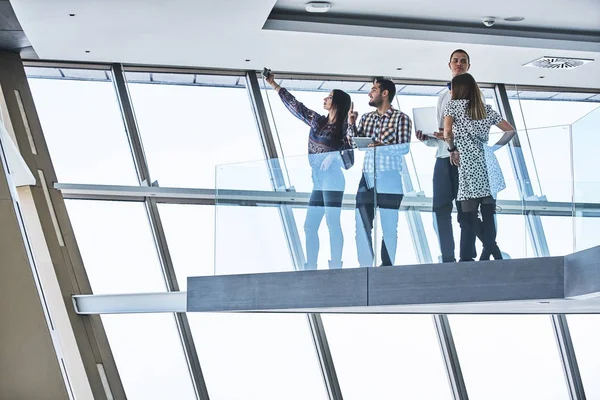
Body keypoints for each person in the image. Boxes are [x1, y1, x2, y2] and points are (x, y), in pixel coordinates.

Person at [266, 73, 352, 270]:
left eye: (329, 97)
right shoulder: (319, 122)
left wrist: (334, 156)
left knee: (332, 223)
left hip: (333, 179)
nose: (325, 99)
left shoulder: (344, 127)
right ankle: (310, 268)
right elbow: (297, 107)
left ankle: (336, 267)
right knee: (309, 226)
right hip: (318, 180)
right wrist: (274, 84)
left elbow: (351, 155)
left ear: (337, 103)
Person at [416, 49, 483, 262]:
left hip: (465, 161)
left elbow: (476, 130)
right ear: (449, 65)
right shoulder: (443, 96)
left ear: (469, 66)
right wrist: (427, 137)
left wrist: (450, 136)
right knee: (440, 210)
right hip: (443, 158)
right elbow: (441, 133)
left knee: (466, 211)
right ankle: (447, 256)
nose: (459, 63)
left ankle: (467, 256)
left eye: (463, 61)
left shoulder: (476, 96)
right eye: (455, 60)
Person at [443, 73, 516, 261]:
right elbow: (510, 131)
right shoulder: (485, 109)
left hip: (467, 161)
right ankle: (492, 253)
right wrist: (493, 149)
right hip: (486, 160)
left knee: (467, 215)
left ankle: (494, 252)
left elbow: (447, 132)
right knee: (488, 211)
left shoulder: (453, 106)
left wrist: (452, 149)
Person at [348, 78, 411, 267]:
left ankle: (387, 268)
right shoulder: (366, 118)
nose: (370, 93)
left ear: (385, 93)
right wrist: (352, 123)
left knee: (390, 227)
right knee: (362, 225)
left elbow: (404, 148)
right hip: (367, 177)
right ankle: (365, 267)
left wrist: (383, 147)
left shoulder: (401, 118)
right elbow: (353, 144)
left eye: (374, 89)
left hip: (390, 177)